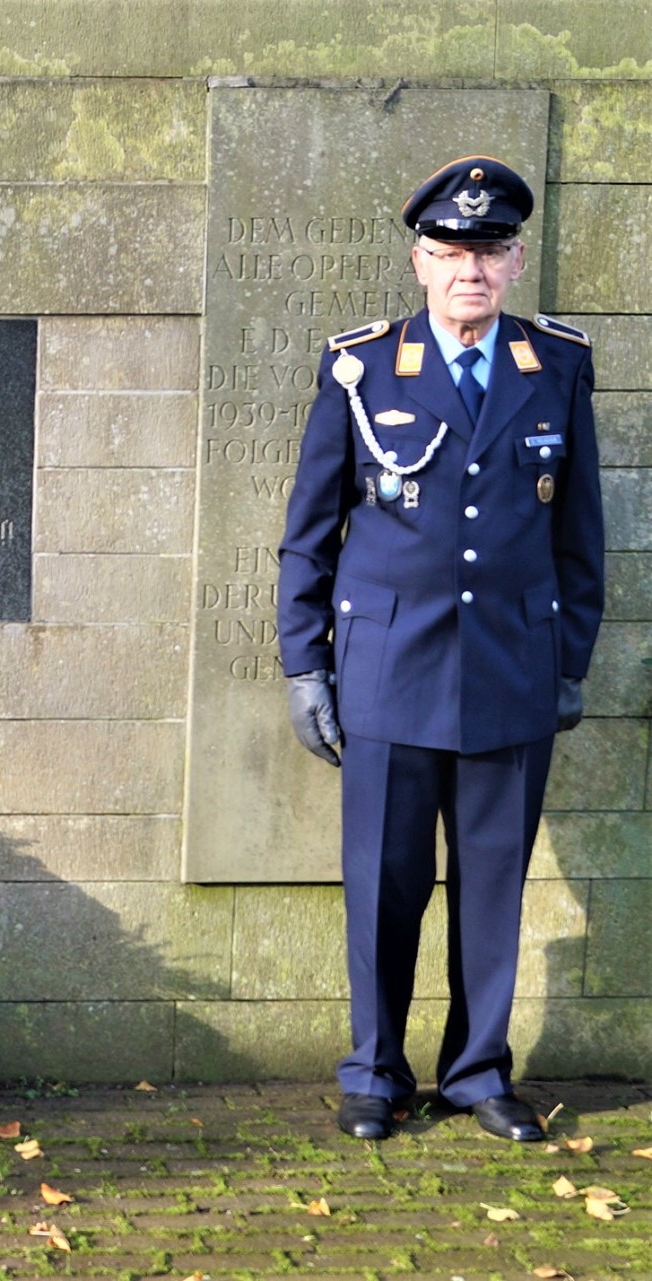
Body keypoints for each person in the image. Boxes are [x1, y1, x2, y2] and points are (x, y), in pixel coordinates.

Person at [277, 156, 604, 1143]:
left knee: (494, 882)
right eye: (451, 250)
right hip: (388, 666)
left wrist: (570, 659)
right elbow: (310, 530)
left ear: (514, 265)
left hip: (511, 663)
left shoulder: (557, 368)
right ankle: (376, 1072)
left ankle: (476, 1070)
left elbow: (580, 535)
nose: (471, 266)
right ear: (420, 261)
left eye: (491, 250)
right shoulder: (362, 367)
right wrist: (305, 664)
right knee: (385, 880)